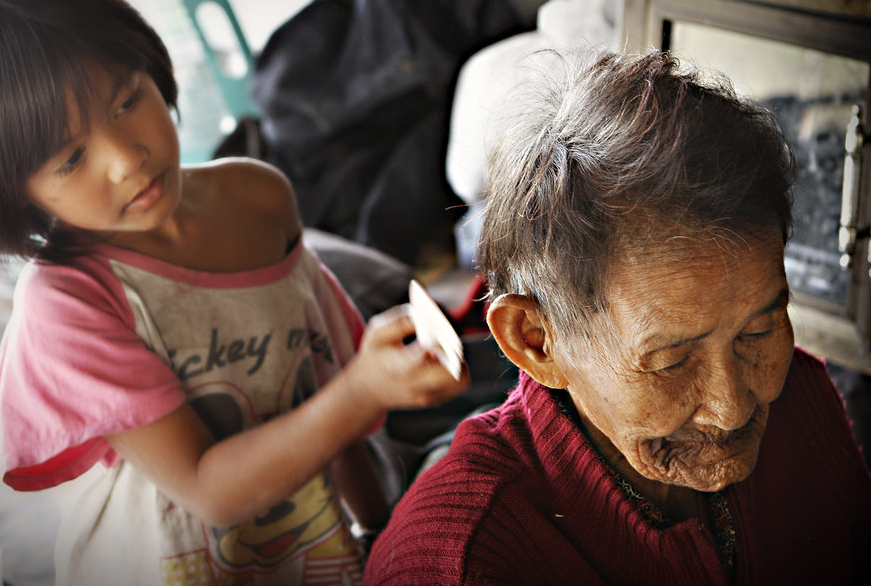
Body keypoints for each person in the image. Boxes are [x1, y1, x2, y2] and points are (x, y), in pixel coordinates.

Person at [0, 0, 469, 585]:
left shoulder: (259, 198)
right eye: (70, 159)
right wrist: (361, 390)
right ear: (8, 193)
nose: (127, 158)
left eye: (126, 101)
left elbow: (329, 383)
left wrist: (375, 532)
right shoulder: (68, 304)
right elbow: (209, 486)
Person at [365, 49, 871, 584]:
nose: (733, 408)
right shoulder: (460, 563)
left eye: (758, 331)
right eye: (671, 360)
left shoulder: (803, 397)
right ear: (535, 342)